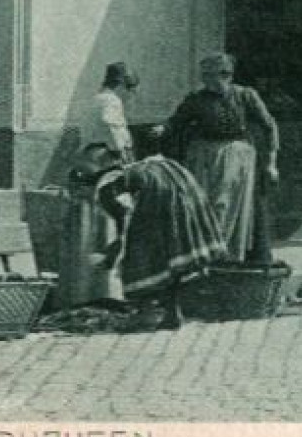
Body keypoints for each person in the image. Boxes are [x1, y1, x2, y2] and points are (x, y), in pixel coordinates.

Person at [91, 126, 227, 330]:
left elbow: (106, 193)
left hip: (158, 225)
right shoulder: (177, 169)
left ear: (138, 149)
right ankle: (173, 313)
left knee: (147, 262)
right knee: (172, 268)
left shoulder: (140, 170)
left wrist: (120, 217)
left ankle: (147, 312)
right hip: (184, 227)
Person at [164, 52, 279, 264]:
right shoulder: (196, 100)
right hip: (204, 156)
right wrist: (162, 129)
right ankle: (206, 252)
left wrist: (271, 163)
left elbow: (269, 126)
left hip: (237, 154)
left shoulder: (246, 95)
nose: (205, 80)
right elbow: (176, 122)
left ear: (227, 75)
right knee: (205, 204)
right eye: (204, 76)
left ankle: (228, 252)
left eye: (210, 75)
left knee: (226, 204)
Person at [58, 62, 138, 308]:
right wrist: (122, 152)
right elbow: (110, 125)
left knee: (91, 223)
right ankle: (106, 290)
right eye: (131, 90)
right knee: (112, 219)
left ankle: (85, 289)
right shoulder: (111, 102)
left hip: (87, 162)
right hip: (102, 163)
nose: (131, 96)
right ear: (122, 85)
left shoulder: (94, 99)